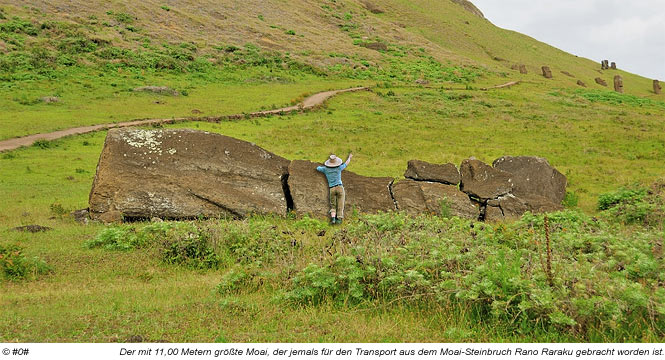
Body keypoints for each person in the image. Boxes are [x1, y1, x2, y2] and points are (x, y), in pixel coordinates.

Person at [316, 153, 352, 225]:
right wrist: (349, 157)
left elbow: (318, 168)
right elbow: (346, 164)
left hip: (332, 188)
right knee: (340, 204)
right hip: (339, 187)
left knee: (333, 205)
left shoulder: (325, 169)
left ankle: (333, 219)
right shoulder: (339, 168)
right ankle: (339, 219)